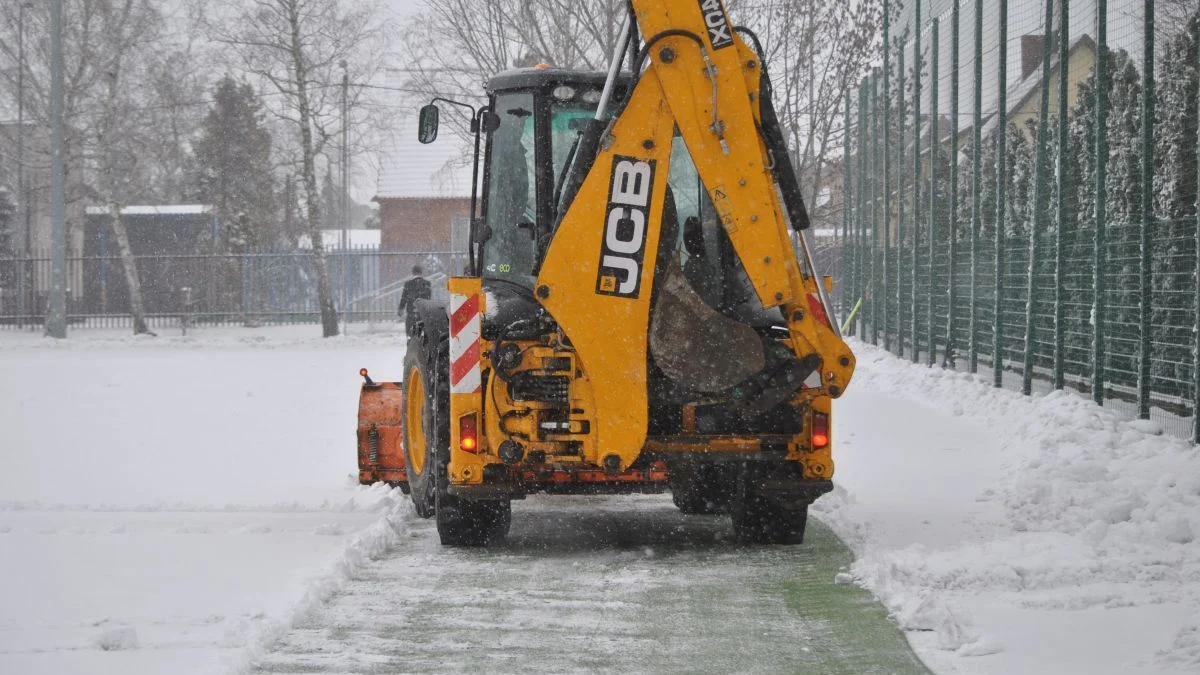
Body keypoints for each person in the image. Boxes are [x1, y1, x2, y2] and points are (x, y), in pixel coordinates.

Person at [398, 265, 432, 335]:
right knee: (422, 334)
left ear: (413, 272)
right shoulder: (427, 283)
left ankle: (411, 342)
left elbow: (404, 298)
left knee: (410, 334)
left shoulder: (408, 284)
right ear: (421, 272)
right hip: (423, 313)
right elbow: (428, 298)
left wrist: (401, 309)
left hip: (411, 313)